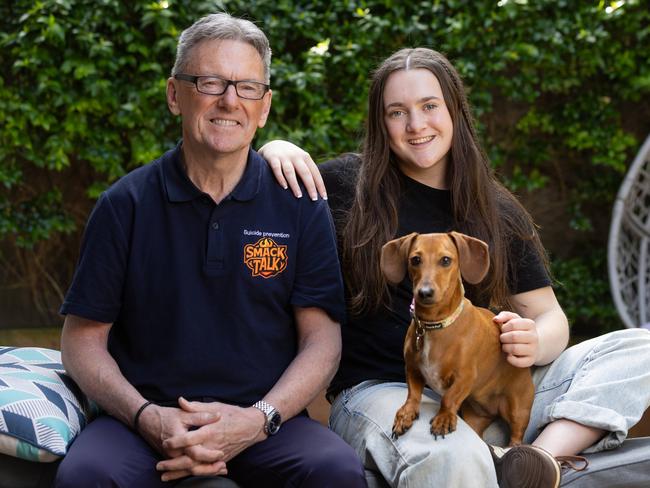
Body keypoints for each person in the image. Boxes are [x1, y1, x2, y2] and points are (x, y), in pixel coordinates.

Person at [258, 47, 650, 488]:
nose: (416, 125)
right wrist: (277, 146)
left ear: (455, 111)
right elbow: (259, 191)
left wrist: (535, 340)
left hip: (491, 387)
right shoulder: (346, 187)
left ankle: (533, 459)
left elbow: (550, 316)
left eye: (429, 106)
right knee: (454, 457)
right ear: (379, 123)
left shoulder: (495, 209)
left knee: (641, 347)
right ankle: (492, 459)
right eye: (397, 112)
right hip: (386, 392)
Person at [55, 13, 368, 488]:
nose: (229, 100)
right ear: (173, 94)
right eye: (210, 81)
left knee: (336, 472)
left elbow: (322, 342)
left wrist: (258, 419)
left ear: (264, 107)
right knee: (86, 476)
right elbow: (81, 341)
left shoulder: (300, 206)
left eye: (246, 87)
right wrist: (147, 418)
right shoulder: (125, 205)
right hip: (140, 424)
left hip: (266, 424)